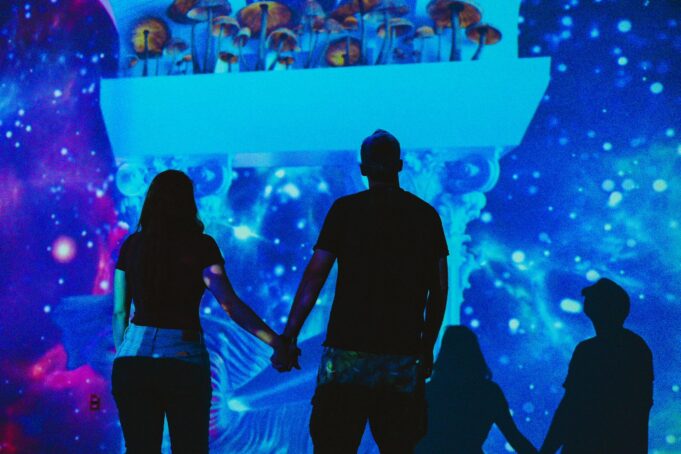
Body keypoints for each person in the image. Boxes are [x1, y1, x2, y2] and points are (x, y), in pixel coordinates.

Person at [273, 129, 450, 453]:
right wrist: (426, 346)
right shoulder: (426, 216)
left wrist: (289, 336)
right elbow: (438, 289)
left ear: (363, 168)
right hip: (401, 356)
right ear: (399, 165)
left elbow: (315, 276)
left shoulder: (345, 210)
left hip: (346, 355)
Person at [112, 170, 291, 453]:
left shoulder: (132, 246)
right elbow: (230, 305)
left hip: (133, 361)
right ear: (188, 203)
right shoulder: (202, 246)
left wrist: (124, 354)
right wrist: (276, 341)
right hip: (184, 360)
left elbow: (120, 313)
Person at [540, 278, 654, 454]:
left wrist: (547, 449)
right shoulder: (637, 347)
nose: (586, 300)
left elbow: (570, 406)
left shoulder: (588, 351)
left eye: (594, 297)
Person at [416, 326, 537, 454]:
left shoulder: (428, 391)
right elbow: (515, 437)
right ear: (473, 353)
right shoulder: (489, 393)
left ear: (444, 353)